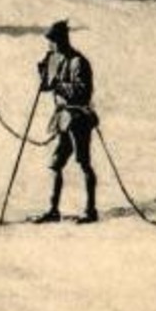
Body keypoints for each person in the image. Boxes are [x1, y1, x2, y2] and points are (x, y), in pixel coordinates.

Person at [30, 20, 99, 225]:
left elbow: (82, 92)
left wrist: (58, 85)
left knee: (84, 163)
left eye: (51, 42)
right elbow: (46, 87)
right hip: (63, 119)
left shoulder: (79, 62)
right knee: (56, 163)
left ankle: (90, 210)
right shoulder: (55, 59)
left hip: (78, 119)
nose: (49, 46)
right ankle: (53, 210)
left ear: (60, 41)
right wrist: (42, 72)